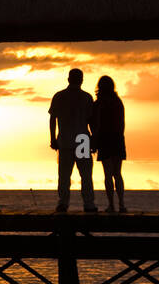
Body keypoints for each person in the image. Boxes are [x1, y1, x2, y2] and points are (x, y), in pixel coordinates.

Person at [48, 68, 96, 213]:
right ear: (81, 80)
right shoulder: (87, 98)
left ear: (68, 79)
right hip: (82, 139)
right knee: (86, 175)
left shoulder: (59, 96)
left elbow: (52, 119)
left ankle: (63, 203)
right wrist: (93, 140)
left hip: (65, 140)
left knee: (64, 175)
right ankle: (88, 204)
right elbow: (91, 121)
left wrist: (52, 138)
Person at [92, 75, 127, 213]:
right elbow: (122, 123)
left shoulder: (99, 103)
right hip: (117, 139)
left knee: (108, 174)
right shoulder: (118, 102)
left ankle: (111, 205)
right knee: (117, 173)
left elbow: (96, 125)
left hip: (105, 140)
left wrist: (94, 141)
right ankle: (122, 204)